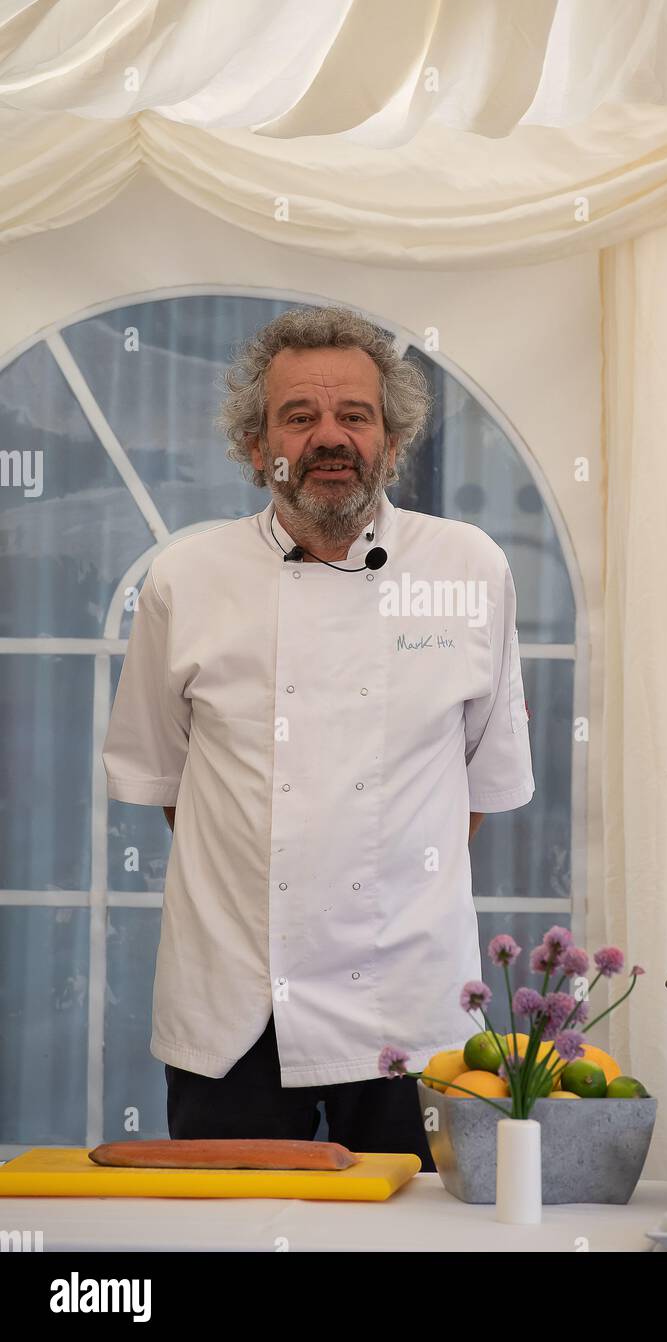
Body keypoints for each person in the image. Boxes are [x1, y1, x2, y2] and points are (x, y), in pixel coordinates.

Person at [102, 305, 535, 1167]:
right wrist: (272, 879)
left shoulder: (470, 569)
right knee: (231, 1243)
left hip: (412, 1016)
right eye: (299, 416)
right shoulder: (184, 580)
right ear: (256, 444)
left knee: (424, 1240)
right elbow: (170, 785)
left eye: (355, 416)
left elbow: (476, 794)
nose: (329, 436)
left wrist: (378, 885)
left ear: (392, 440)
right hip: (236, 1014)